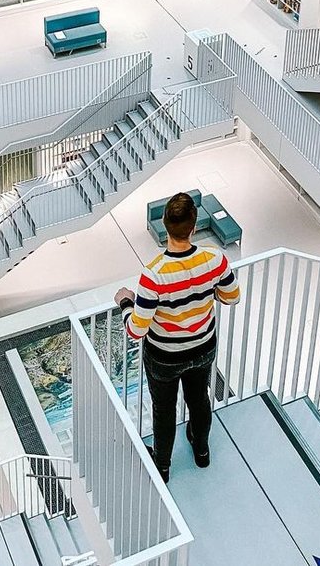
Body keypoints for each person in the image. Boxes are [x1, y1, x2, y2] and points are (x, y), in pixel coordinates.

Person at [114, 193, 240, 483]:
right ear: (194, 227)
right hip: (203, 347)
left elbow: (136, 330)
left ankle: (163, 465)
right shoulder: (215, 259)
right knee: (199, 399)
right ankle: (202, 451)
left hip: (165, 358)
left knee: (164, 409)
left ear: (164, 226)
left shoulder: (154, 274)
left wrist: (125, 303)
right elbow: (232, 297)